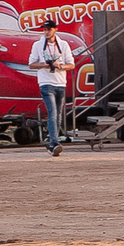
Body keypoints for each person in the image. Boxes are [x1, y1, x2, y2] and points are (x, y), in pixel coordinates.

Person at [27, 19, 75, 155]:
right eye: (45, 30)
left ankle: (52, 142)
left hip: (60, 83)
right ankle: (54, 142)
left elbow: (71, 65)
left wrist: (60, 66)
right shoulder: (37, 45)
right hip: (46, 83)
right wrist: (45, 65)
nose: (46, 32)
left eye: (49, 29)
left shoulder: (63, 45)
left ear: (56, 29)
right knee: (53, 112)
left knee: (58, 114)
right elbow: (31, 64)